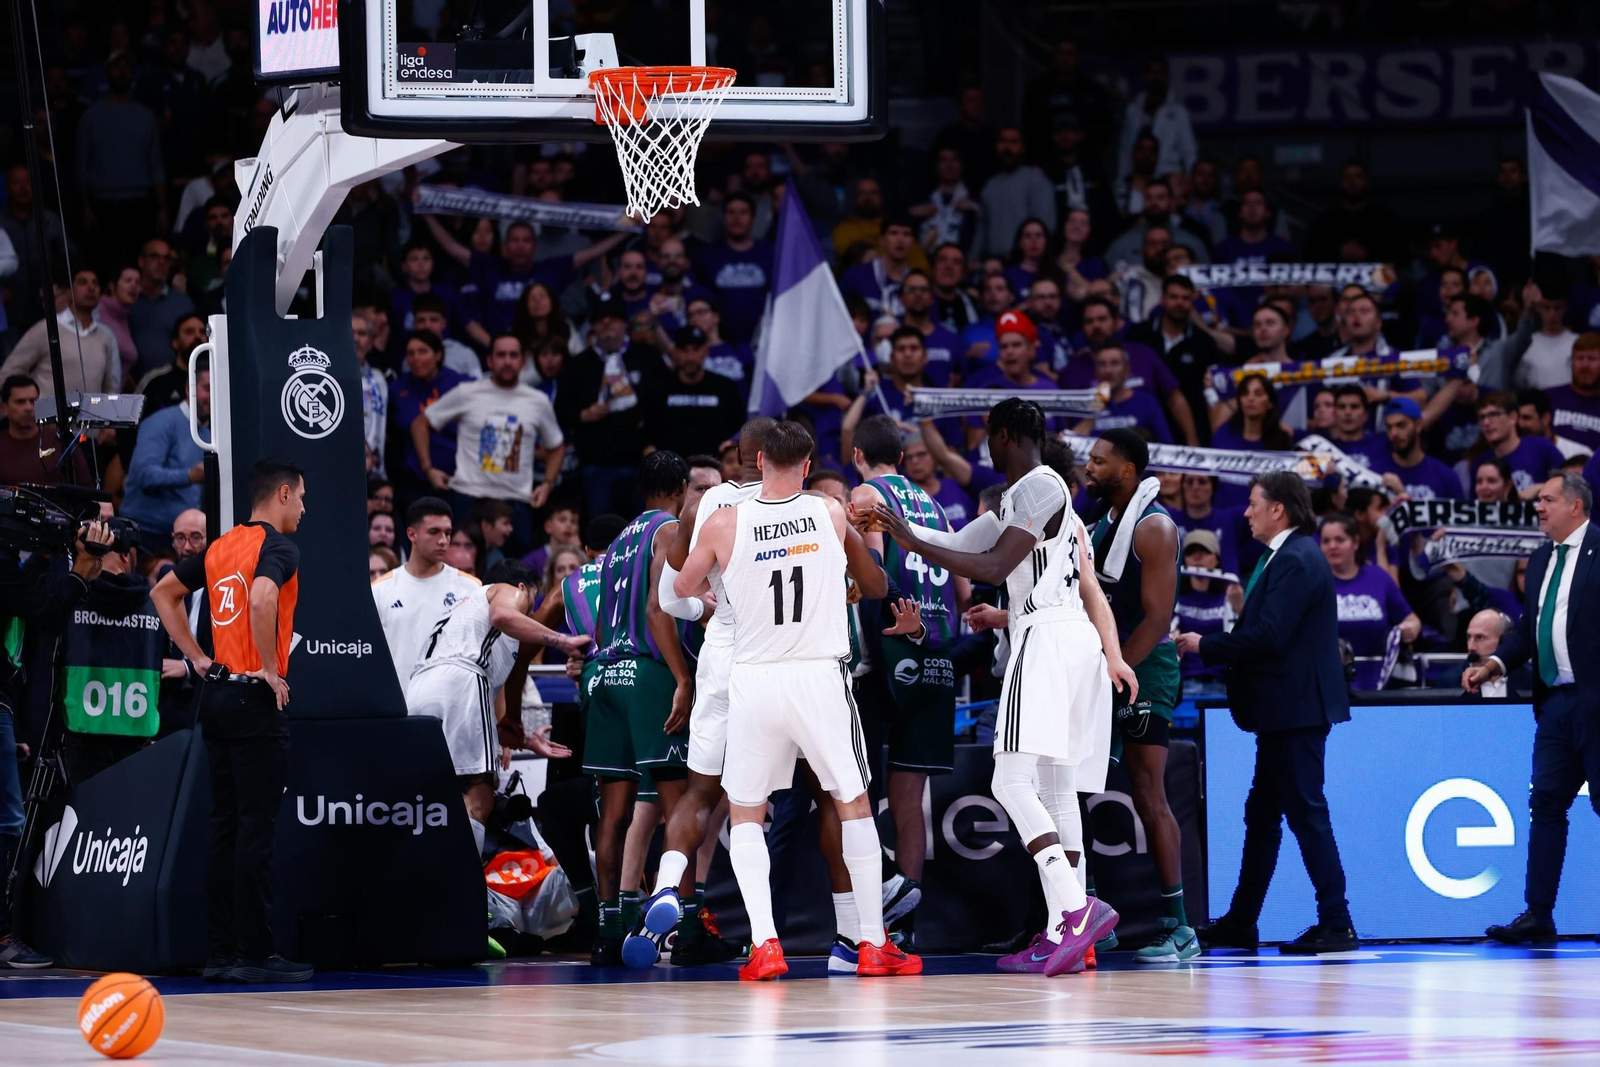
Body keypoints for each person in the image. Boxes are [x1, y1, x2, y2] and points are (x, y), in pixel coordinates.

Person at [866, 398, 1136, 975]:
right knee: (1059, 794)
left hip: (1046, 636)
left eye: (990, 436)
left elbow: (988, 568)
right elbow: (964, 544)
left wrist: (910, 545)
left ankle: (1074, 908)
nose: (986, 447)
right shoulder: (1027, 497)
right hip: (1071, 639)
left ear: (1007, 433)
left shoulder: (1040, 487)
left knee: (1010, 781)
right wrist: (897, 528)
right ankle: (1069, 932)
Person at [673, 421, 918, 980]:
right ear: (808, 466)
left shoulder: (722, 522)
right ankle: (873, 942)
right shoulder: (830, 514)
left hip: (755, 677)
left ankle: (765, 946)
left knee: (746, 812)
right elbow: (876, 585)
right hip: (817, 675)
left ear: (759, 462)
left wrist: (730, 584)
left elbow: (683, 589)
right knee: (852, 802)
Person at [1176, 471, 1356, 955]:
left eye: (1254, 503)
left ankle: (1337, 923)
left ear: (1278, 509)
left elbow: (1270, 636)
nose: (1246, 511)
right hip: (1283, 712)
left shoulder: (1296, 558)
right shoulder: (1285, 556)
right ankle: (1242, 920)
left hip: (1295, 711)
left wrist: (1203, 644)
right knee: (1263, 816)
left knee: (1306, 813)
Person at [149, 460, 313, 983]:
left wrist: (197, 658)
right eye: (302, 498)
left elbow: (161, 594)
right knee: (254, 831)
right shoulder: (279, 546)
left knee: (223, 828)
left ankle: (220, 952)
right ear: (282, 494)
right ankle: (256, 954)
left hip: (214, 698)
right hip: (251, 699)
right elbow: (264, 597)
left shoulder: (219, 547)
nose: (305, 509)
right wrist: (268, 667)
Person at [1459, 473, 1600, 946]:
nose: (1538, 507)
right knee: (1545, 807)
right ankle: (1538, 915)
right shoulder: (1540, 560)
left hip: (1597, 700)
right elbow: (1525, 631)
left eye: (1547, 500)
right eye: (1538, 500)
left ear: (1576, 507)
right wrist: (1494, 663)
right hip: (1555, 701)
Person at [848, 415, 970, 934]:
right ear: (902, 455)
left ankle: (872, 920)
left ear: (858, 456)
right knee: (909, 801)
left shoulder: (866, 493)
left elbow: (873, 572)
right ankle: (907, 926)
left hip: (891, 648)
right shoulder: (936, 504)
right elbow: (964, 592)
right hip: (937, 653)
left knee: (854, 793)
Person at [1082, 429, 1194, 963]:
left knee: (1149, 796)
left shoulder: (1154, 527)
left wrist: (1115, 666)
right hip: (1109, 666)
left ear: (1127, 470)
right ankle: (1089, 920)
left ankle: (1180, 927)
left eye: (1099, 461)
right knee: (1075, 789)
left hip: (1144, 669)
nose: (1089, 468)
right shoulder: (1101, 523)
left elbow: (1157, 618)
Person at [582, 452, 697, 966]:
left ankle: (608, 930)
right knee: (679, 804)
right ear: (679, 487)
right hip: (645, 674)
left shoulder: (620, 538)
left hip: (603, 672)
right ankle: (687, 929)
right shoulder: (668, 529)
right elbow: (657, 609)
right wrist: (681, 676)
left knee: (613, 815)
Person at [414, 333, 565, 553]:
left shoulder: (537, 401)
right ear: (490, 360)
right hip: (469, 495)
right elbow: (420, 423)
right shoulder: (468, 392)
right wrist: (428, 469)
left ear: (523, 362)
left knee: (515, 575)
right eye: (501, 355)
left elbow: (557, 446)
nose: (507, 361)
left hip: (517, 501)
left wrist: (547, 484)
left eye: (513, 355)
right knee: (462, 567)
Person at [371, 497, 482, 688]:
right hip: (399, 705)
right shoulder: (380, 589)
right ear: (412, 534)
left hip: (451, 705)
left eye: (447, 533)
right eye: (434, 532)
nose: (443, 540)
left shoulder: (470, 588)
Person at [1318, 513, 1420, 690]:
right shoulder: (1312, 582)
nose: (1332, 546)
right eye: (1326, 541)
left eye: (1339, 540)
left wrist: (1410, 628)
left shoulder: (1378, 577)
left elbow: (1412, 619)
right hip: (1328, 684)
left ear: (1355, 542)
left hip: (1381, 684)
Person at [121, 354, 210, 551]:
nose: (213, 397)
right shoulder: (161, 423)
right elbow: (144, 474)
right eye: (208, 389)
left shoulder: (210, 433)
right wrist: (189, 476)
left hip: (186, 538)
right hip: (148, 535)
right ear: (189, 389)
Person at [1, 269, 122, 398]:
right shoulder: (47, 328)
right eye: (83, 283)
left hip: (91, 417)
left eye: (95, 283)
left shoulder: (106, 335)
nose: (91, 288)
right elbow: (10, 371)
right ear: (69, 293)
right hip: (47, 417)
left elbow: (112, 388)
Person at [642, 326, 745, 460]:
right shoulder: (659, 388)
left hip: (715, 468)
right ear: (675, 352)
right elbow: (647, 433)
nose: (690, 357)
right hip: (671, 470)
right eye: (684, 351)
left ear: (706, 351)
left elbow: (739, 428)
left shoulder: (724, 387)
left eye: (696, 350)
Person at [690, 193, 773, 344]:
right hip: (719, 342)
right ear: (723, 217)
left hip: (764, 339)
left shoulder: (769, 253)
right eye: (731, 212)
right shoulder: (707, 255)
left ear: (752, 218)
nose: (737, 218)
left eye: (743, 212)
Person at [1116, 55, 1197, 188]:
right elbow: (1126, 149)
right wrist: (1122, 179)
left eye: (1160, 72)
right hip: (1138, 178)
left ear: (1167, 76)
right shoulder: (1133, 111)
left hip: (1169, 176)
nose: (1156, 77)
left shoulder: (1178, 112)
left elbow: (1189, 152)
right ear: (1145, 75)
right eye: (1152, 72)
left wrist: (1189, 181)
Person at [978, 128, 1057, 260]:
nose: (1007, 147)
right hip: (993, 262)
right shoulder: (990, 185)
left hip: (1025, 261)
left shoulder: (1036, 180)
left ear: (1022, 147)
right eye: (1003, 141)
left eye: (1013, 142)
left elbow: (1046, 226)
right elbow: (982, 229)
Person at [1470, 391, 1566, 498]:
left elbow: (1570, 486)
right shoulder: (1481, 463)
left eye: (1494, 414)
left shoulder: (1541, 447)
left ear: (1513, 417)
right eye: (1482, 417)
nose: (1486, 422)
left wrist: (1540, 488)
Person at [0, 375, 92, 486]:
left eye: (33, 401)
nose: (29, 408)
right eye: (20, 402)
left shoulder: (60, 438)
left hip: (58, 502)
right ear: (4, 409)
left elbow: (86, 484)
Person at [1077, 345, 1173, 443]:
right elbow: (1074, 442)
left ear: (1127, 370)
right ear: (1096, 372)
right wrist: (1095, 408)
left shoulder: (1147, 402)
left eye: (1114, 363)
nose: (1108, 371)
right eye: (1102, 364)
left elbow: (1166, 444)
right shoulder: (1086, 405)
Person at [1374, 397, 1463, 501]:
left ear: (1418, 425)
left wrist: (1401, 493)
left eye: (1401, 425)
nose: (1394, 433)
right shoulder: (1375, 473)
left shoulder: (1445, 476)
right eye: (1389, 427)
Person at [1543, 333, 1600, 452]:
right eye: (1579, 358)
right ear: (1571, 363)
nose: (1585, 365)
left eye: (1592, 359)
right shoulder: (1547, 398)